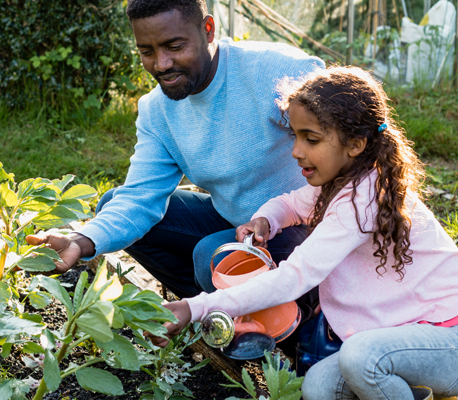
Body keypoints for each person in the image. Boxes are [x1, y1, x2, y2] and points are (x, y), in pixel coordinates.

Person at [153, 66, 458, 399]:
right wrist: (264, 220)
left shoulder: (364, 199)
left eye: (312, 139)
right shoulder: (340, 183)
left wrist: (195, 307)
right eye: (296, 136)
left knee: (361, 358)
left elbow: (294, 277)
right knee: (318, 387)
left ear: (355, 144)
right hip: (408, 335)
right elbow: (291, 204)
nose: (296, 151)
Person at [26, 0, 324, 305]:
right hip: (236, 223)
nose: (162, 63)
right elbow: (139, 198)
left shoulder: (277, 73)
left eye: (174, 46)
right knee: (112, 205)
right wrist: (80, 240)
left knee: (212, 255)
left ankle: (292, 333)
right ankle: (209, 314)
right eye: (147, 51)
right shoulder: (158, 111)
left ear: (207, 30)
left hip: (304, 224)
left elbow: (355, 136)